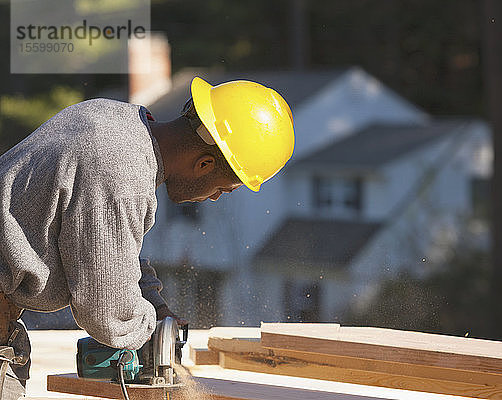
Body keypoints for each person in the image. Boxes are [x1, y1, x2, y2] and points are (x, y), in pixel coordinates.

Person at [0, 76, 295, 399]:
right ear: (204, 164)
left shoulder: (117, 123)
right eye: (222, 189)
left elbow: (109, 251)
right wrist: (151, 335)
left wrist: (155, 307)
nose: (214, 198)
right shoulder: (118, 172)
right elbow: (108, 315)